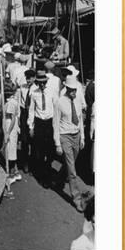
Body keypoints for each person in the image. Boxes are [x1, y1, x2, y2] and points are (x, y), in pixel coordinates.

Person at [53, 75, 85, 211]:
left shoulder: (77, 101)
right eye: (72, 90)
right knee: (72, 170)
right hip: (65, 136)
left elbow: (80, 120)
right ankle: (76, 198)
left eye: (75, 90)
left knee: (70, 163)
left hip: (76, 135)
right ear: (66, 89)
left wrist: (82, 137)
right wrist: (57, 144)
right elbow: (55, 123)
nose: (74, 93)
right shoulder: (59, 102)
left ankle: (59, 179)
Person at [28, 69, 56, 188]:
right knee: (39, 150)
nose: (42, 85)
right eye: (40, 83)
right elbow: (31, 110)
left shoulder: (51, 92)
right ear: (37, 83)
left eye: (44, 82)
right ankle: (41, 175)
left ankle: (48, 171)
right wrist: (31, 126)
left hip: (49, 123)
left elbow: (56, 108)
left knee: (50, 150)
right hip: (39, 123)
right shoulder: (34, 93)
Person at [18, 68, 36, 173]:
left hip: (32, 113)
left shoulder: (36, 89)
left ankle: (33, 162)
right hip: (24, 113)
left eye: (30, 78)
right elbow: (21, 102)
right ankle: (25, 163)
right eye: (27, 78)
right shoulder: (22, 88)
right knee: (24, 140)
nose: (28, 80)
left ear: (34, 78)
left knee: (33, 140)